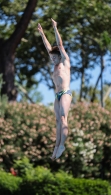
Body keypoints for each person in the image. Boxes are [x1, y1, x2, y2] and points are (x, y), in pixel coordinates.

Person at [38, 18, 72, 159]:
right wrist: (41, 33)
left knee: (63, 119)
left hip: (65, 93)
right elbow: (48, 47)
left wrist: (55, 28)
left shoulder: (64, 62)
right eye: (51, 58)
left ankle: (62, 144)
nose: (52, 60)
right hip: (57, 95)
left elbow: (60, 45)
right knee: (58, 121)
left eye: (54, 58)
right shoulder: (55, 65)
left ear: (59, 56)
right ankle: (57, 146)